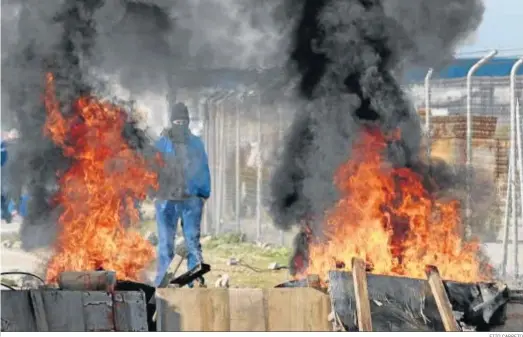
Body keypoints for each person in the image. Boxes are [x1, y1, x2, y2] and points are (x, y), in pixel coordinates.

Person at [154, 102, 211, 287]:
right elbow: (151, 168)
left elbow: (203, 168)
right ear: (171, 121)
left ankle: (195, 281)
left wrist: (202, 193)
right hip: (166, 200)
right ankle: (162, 284)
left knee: (192, 242)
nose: (180, 124)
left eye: (183, 120)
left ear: (188, 122)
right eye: (177, 120)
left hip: (190, 200)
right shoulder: (162, 143)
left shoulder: (196, 143)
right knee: (165, 245)